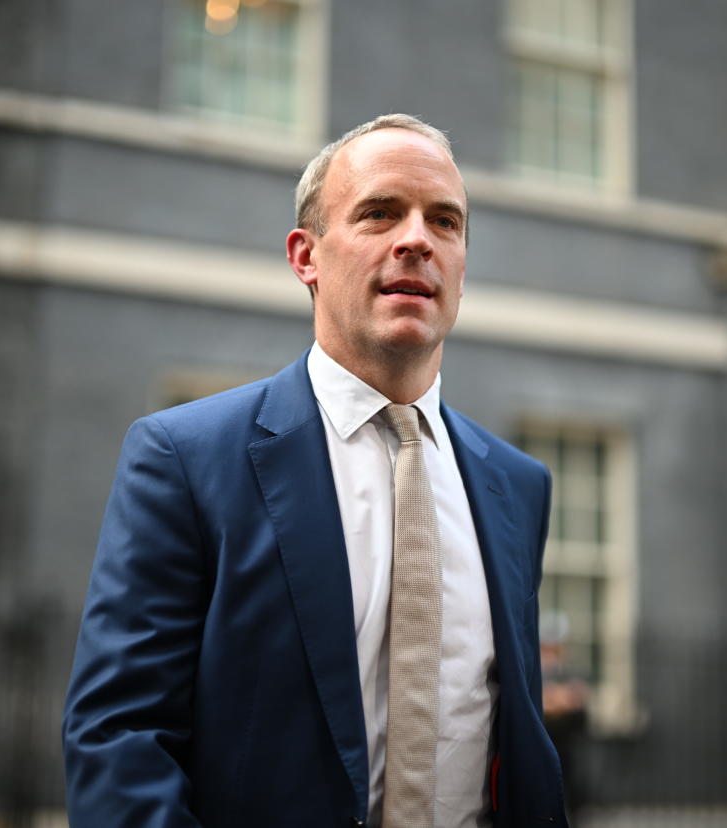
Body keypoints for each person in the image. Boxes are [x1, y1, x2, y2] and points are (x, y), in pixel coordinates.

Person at [61, 114, 568, 827]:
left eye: (444, 222)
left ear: (461, 267)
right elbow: (120, 738)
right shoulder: (185, 457)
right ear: (307, 256)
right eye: (380, 213)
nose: (417, 239)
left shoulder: (518, 486)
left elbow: (515, 747)